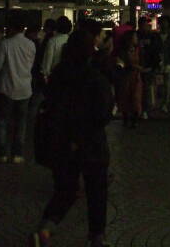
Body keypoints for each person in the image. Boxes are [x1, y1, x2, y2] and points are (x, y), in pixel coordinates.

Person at [28, 29, 114, 247]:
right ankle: (96, 237)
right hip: (91, 143)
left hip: (61, 139)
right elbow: (103, 113)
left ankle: (46, 228)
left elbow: (50, 101)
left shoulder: (59, 73)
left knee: (65, 189)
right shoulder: (94, 76)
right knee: (96, 192)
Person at [0, 11, 36, 163]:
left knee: (2, 120)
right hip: (25, 88)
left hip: (7, 88)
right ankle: (18, 153)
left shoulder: (5, 44)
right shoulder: (31, 44)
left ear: (10, 27)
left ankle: (2, 153)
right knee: (21, 122)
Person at [114, 30, 143, 127]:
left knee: (135, 97)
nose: (136, 39)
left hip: (135, 77)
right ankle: (126, 119)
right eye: (135, 37)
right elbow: (122, 63)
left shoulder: (137, 49)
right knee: (125, 97)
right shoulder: (123, 51)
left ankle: (134, 119)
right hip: (126, 77)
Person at [137, 17, 163, 118]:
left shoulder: (151, 36)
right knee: (145, 88)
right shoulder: (151, 36)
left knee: (147, 88)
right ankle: (144, 108)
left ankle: (145, 108)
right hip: (143, 65)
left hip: (147, 65)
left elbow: (156, 52)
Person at [41, 16, 72, 81]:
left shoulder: (52, 41)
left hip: (55, 75)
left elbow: (47, 64)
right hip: (68, 75)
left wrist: (46, 76)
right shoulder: (71, 39)